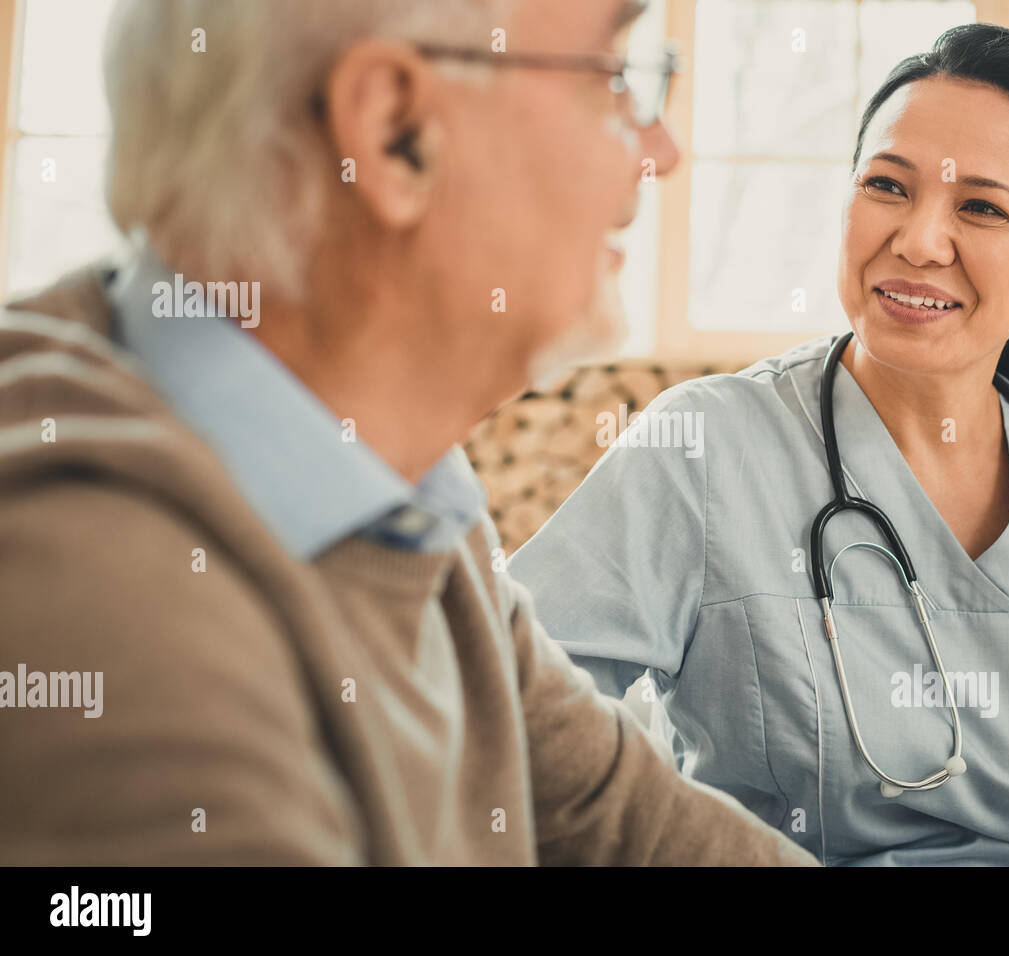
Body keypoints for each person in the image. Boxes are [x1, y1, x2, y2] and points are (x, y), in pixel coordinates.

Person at [0, 0, 819, 866]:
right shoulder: (112, 618)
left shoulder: (397, 488)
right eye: (615, 77)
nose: (662, 153)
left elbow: (620, 816)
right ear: (396, 133)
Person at [509, 23, 1009, 866]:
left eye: (980, 207)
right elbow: (503, 707)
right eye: (886, 186)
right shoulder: (706, 446)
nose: (917, 241)